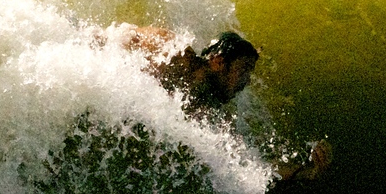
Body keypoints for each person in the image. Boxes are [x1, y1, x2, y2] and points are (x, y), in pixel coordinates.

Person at [116, 25, 331, 181]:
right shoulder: (178, 57)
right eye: (243, 69)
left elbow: (249, 168)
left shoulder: (212, 112)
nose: (246, 81)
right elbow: (127, 37)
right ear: (219, 62)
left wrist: (308, 171)